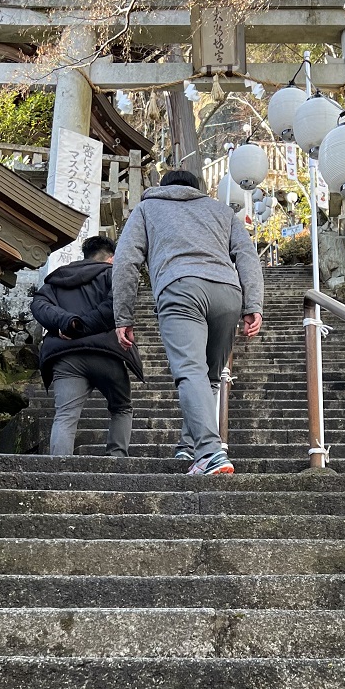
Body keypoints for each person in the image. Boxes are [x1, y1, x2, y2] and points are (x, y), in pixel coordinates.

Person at [112, 168, 264, 476]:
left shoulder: (146, 208)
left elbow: (126, 261)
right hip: (227, 293)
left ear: (162, 187)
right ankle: (190, 446)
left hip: (180, 287)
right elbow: (247, 255)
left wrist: (124, 315)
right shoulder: (221, 211)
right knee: (208, 376)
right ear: (196, 189)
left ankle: (210, 453)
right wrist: (253, 304)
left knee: (190, 370)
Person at [30, 234, 144, 457]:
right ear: (111, 259)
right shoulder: (113, 275)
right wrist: (85, 326)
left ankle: (59, 474)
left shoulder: (57, 281)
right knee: (121, 407)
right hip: (106, 354)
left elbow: (39, 304)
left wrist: (70, 324)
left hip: (67, 357)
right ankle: (116, 460)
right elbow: (115, 305)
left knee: (65, 415)